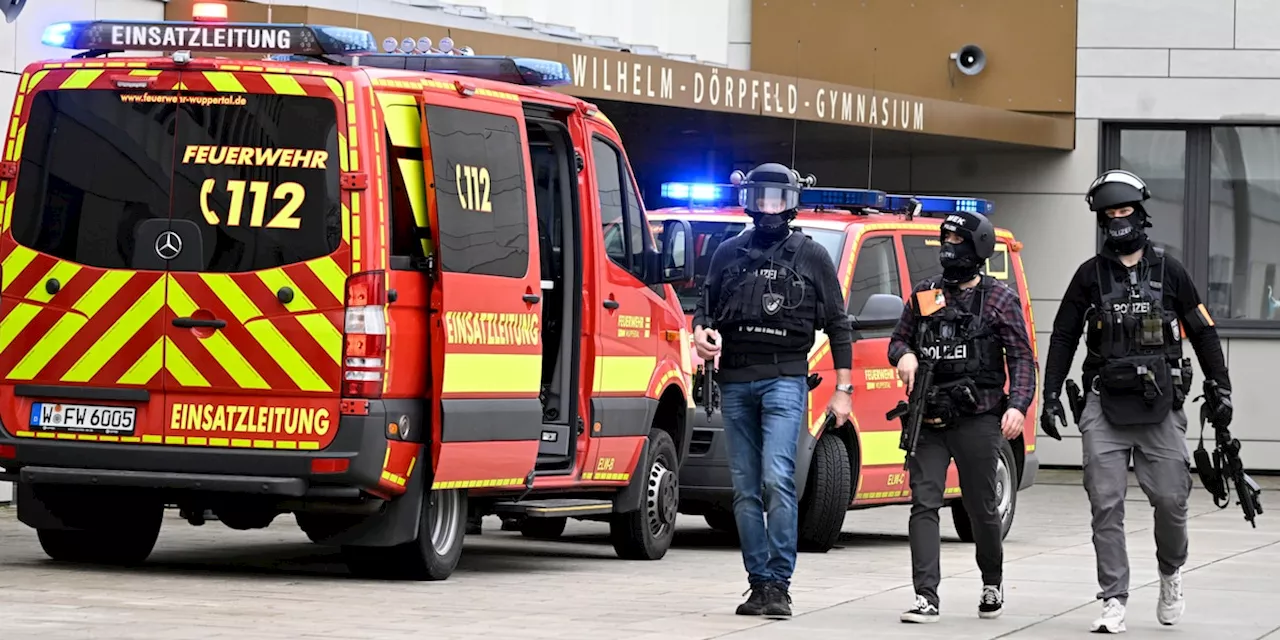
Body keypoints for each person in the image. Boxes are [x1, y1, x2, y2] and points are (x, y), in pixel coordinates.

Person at [1039, 169, 1233, 634]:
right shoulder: (1089, 276)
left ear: (1141, 215)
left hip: (1160, 405)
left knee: (1171, 500)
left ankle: (1171, 572)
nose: (1118, 220)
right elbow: (1064, 335)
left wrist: (1220, 386)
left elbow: (1204, 332)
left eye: (1124, 210)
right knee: (1104, 502)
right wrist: (1049, 394)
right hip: (1103, 405)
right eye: (1110, 214)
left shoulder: (1171, 272)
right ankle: (1114, 598)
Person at [691, 163, 853, 619]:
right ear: (748, 201)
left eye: (776, 199)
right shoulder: (727, 252)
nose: (767, 208)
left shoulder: (812, 255)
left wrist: (844, 389)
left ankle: (779, 583)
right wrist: (701, 335)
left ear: (791, 202)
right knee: (744, 489)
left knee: (777, 479)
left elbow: (839, 324)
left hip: (785, 378)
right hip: (736, 380)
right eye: (760, 198)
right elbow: (704, 314)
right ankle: (758, 582)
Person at [887, 209, 1036, 624]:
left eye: (957, 244)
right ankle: (926, 596)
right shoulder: (924, 293)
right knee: (924, 503)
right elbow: (898, 340)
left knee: (982, 507)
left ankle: (992, 580)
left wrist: (1017, 406)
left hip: (980, 417)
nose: (949, 252)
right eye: (945, 244)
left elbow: (1022, 357)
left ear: (977, 250)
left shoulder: (1000, 298)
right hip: (929, 417)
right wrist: (906, 355)